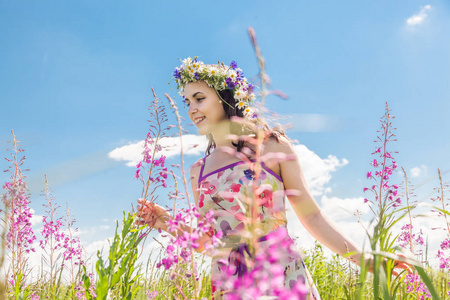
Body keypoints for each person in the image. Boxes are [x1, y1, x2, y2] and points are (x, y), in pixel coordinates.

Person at [136, 58, 409, 299]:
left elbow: (311, 217)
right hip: (229, 283)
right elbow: (212, 243)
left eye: (199, 98)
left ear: (225, 97)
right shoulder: (198, 170)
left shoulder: (271, 147)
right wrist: (168, 224)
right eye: (187, 102)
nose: (191, 109)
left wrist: (368, 261)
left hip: (281, 274)